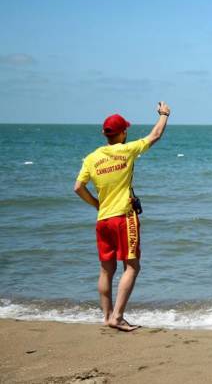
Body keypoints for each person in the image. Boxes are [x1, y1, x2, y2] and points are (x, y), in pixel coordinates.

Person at [73, 102, 171, 331]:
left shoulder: (91, 158)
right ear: (123, 133)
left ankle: (107, 316)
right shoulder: (126, 151)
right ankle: (117, 316)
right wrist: (164, 115)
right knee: (132, 266)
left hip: (103, 220)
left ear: (105, 134)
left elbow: (78, 187)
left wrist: (97, 204)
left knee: (106, 269)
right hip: (124, 218)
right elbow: (155, 135)